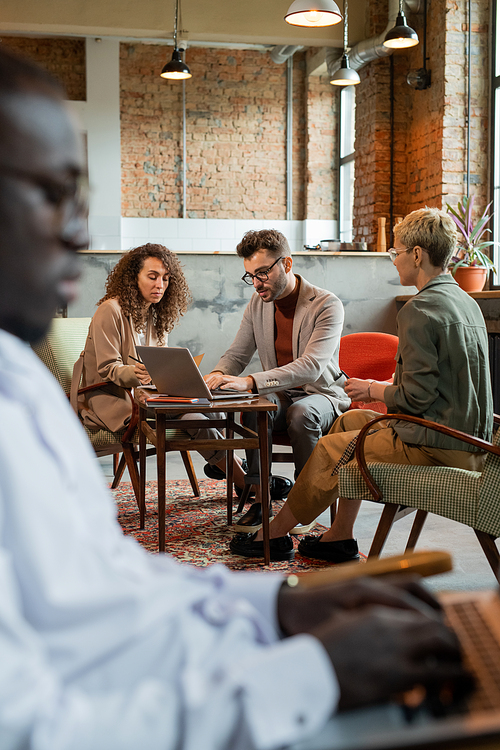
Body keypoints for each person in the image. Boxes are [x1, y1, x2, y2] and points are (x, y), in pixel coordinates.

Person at [0, 46, 469, 749]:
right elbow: (36, 725)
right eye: (49, 191)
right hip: (269, 402)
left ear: (285, 265)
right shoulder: (32, 386)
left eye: (81, 196)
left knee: (311, 413)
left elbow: (104, 585)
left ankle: (296, 525)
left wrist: (281, 607)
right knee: (235, 409)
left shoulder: (19, 386)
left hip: (312, 395)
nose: (78, 230)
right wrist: (313, 667)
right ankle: (268, 501)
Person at [230, 207, 493, 562]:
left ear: (417, 254)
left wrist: (372, 390)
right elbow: (439, 386)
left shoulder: (420, 310)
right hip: (470, 438)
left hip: (434, 443)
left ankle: (274, 535)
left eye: (395, 252)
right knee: (347, 423)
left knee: (330, 449)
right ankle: (340, 535)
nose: (393, 261)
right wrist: (378, 387)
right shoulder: (466, 303)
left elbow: (415, 399)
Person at [205, 229, 349, 535]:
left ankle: (306, 501)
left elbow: (311, 367)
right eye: (250, 276)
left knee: (301, 413)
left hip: (323, 395)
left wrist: (250, 382)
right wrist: (218, 374)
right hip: (281, 394)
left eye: (262, 273)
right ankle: (262, 499)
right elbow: (238, 353)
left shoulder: (326, 304)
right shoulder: (258, 305)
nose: (256, 283)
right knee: (256, 408)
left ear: (286, 264)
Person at [72, 243, 246, 488]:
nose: (160, 285)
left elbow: (161, 364)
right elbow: (108, 368)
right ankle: (250, 482)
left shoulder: (155, 314)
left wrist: (176, 374)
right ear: (134, 277)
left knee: (209, 405)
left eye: (165, 278)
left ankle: (233, 469)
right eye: (152, 277)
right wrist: (138, 374)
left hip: (152, 396)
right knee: (194, 418)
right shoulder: (109, 311)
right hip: (114, 398)